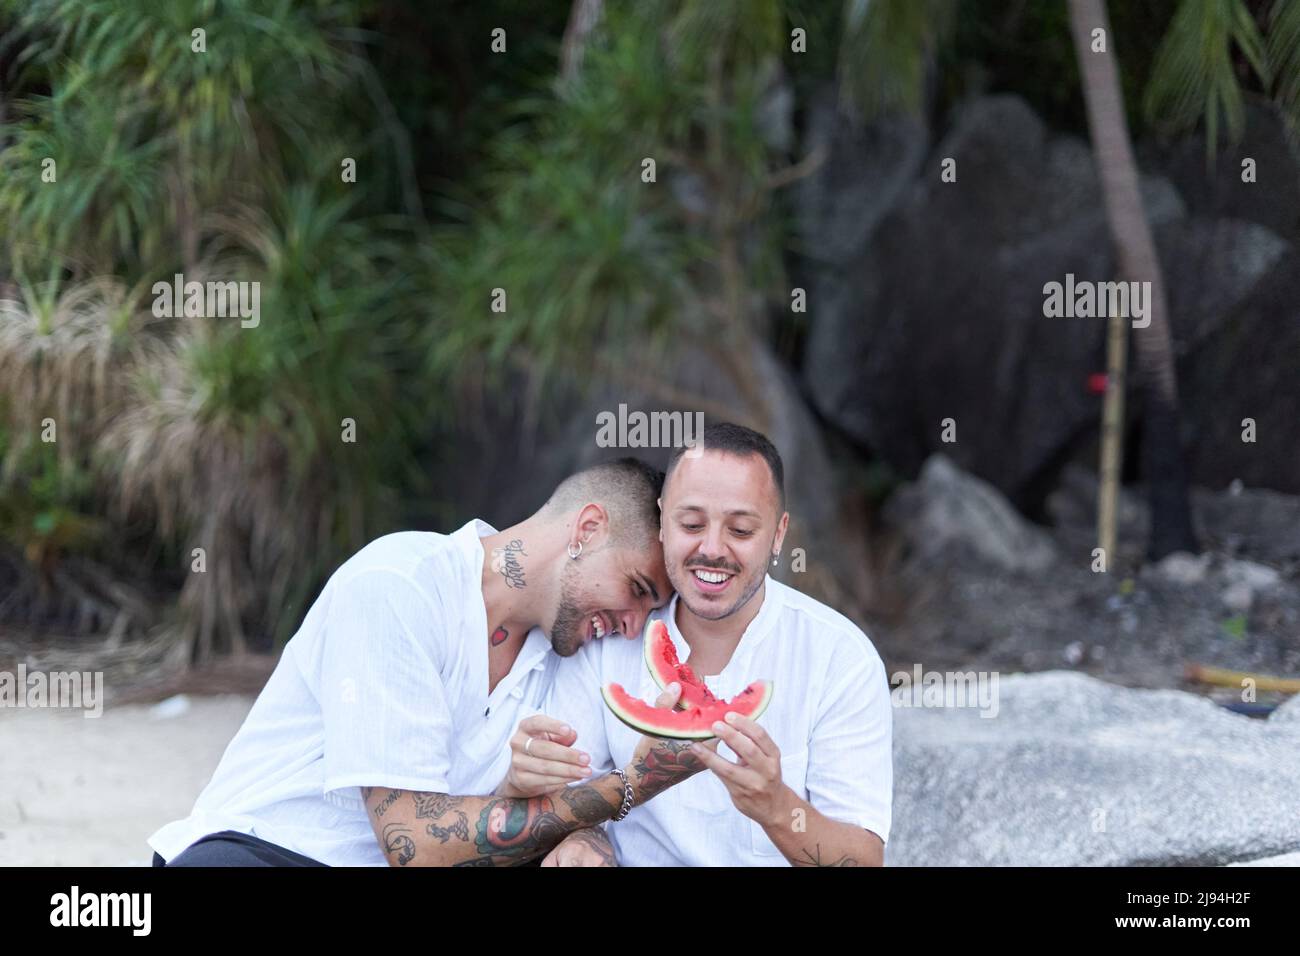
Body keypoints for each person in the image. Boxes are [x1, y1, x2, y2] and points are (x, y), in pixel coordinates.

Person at [148, 458, 710, 866]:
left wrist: (586, 839)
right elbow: (412, 842)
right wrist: (632, 784)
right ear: (587, 530)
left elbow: (534, 820)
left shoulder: (571, 658)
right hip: (264, 850)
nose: (635, 624)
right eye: (636, 588)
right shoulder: (398, 585)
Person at [498, 423, 893, 866]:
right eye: (691, 523)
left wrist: (777, 808)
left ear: (778, 536)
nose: (712, 548)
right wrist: (583, 841)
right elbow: (565, 803)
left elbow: (864, 859)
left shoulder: (840, 658)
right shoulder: (613, 634)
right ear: (663, 519)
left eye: (741, 531)